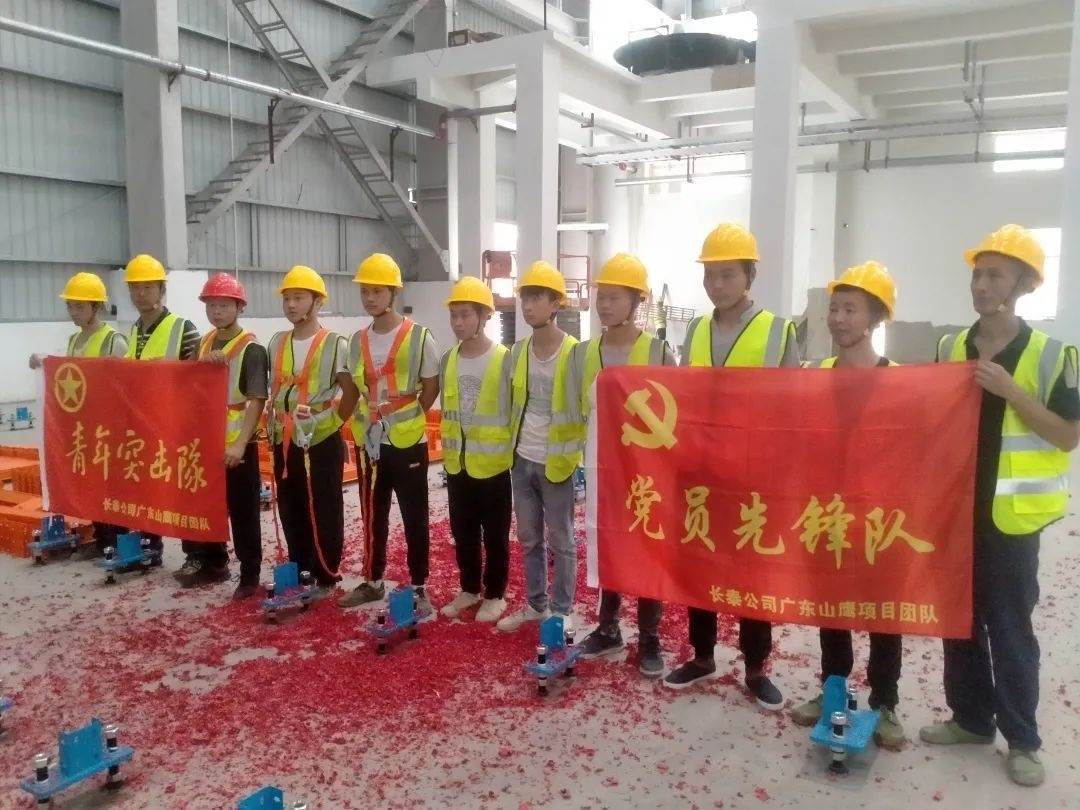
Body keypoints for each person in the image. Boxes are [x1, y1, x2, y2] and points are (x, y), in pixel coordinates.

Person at [918, 225, 1080, 787]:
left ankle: (1023, 740)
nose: (982, 286)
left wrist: (1011, 392)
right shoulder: (949, 348)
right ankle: (970, 719)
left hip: (1011, 518)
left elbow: (1067, 436)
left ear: (1024, 284)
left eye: (996, 276)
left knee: (1010, 629)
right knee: (960, 621)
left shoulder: (1054, 355)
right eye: (978, 274)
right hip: (954, 511)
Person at [663, 223, 800, 711]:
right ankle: (702, 656)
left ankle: (756, 666)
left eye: (727, 275)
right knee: (700, 565)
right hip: (701, 471)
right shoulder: (696, 330)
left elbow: (793, 407)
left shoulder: (778, 331)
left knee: (751, 573)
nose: (716, 285)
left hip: (752, 475)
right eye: (710, 275)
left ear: (749, 276)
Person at [790, 261, 905, 748]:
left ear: (875, 317)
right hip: (828, 511)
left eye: (850, 309)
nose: (838, 318)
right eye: (834, 308)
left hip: (881, 514)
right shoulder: (814, 376)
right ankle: (832, 689)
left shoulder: (902, 381)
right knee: (831, 607)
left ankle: (885, 702)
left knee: (884, 612)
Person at [567, 253, 675, 678]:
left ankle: (649, 637)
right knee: (607, 546)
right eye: (601, 297)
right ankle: (608, 628)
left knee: (648, 552)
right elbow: (576, 411)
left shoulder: (658, 351)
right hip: (601, 471)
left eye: (614, 297)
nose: (604, 305)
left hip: (647, 473)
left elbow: (676, 414)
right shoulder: (583, 354)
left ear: (636, 301)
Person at [340, 254, 439, 616]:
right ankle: (373, 580)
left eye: (377, 291)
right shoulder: (356, 341)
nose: (369, 298)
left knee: (415, 516)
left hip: (407, 442)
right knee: (372, 514)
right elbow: (354, 388)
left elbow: (430, 388)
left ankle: (419, 587)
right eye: (365, 291)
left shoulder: (419, 337)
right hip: (370, 443)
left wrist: (403, 417)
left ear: (394, 293)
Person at [497, 262, 584, 633]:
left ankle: (561, 611)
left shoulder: (575, 353)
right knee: (529, 538)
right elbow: (510, 405)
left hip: (557, 463)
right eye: (525, 298)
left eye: (536, 298)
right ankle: (536, 604)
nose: (528, 306)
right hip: (522, 460)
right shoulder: (517, 352)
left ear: (555, 304)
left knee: (562, 540)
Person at [267, 266, 359, 593]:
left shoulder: (336, 344)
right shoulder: (277, 342)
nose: (291, 305)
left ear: (317, 302)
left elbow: (351, 392)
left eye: (299, 298)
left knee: (324, 507)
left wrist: (332, 424)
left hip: (320, 439)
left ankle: (326, 573)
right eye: (287, 298)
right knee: (290, 506)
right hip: (284, 438)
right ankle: (300, 565)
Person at [30, 272, 128, 555]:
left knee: (112, 485)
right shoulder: (74, 341)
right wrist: (43, 363)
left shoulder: (114, 341)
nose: (73, 312)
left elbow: (125, 386)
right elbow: (67, 376)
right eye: (70, 306)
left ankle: (117, 538)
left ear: (96, 307)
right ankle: (102, 536)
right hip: (84, 427)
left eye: (80, 306)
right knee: (92, 483)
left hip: (108, 427)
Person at [188, 273, 268, 598]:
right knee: (208, 504)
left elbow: (257, 400)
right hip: (206, 441)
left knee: (243, 511)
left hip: (239, 444)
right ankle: (214, 562)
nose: (217, 311)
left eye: (224, 305)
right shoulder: (204, 343)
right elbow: (187, 382)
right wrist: (202, 362)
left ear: (239, 307)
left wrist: (239, 444)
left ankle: (250, 574)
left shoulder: (252, 348)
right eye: (212, 305)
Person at [437, 277, 512, 624]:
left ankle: (495, 594)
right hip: (457, 464)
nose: (458, 322)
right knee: (463, 531)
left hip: (493, 465)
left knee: (495, 535)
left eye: (465, 315)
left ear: (484, 316)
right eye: (454, 315)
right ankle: (469, 588)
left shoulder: (504, 359)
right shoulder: (448, 359)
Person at [122, 254, 201, 564]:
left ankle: (195, 554)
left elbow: (200, 381)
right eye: (135, 288)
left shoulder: (183, 328)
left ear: (161, 290)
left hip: (175, 425)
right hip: (142, 424)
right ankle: (149, 547)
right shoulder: (134, 330)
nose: (140, 294)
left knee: (183, 490)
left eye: (148, 287)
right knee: (145, 489)